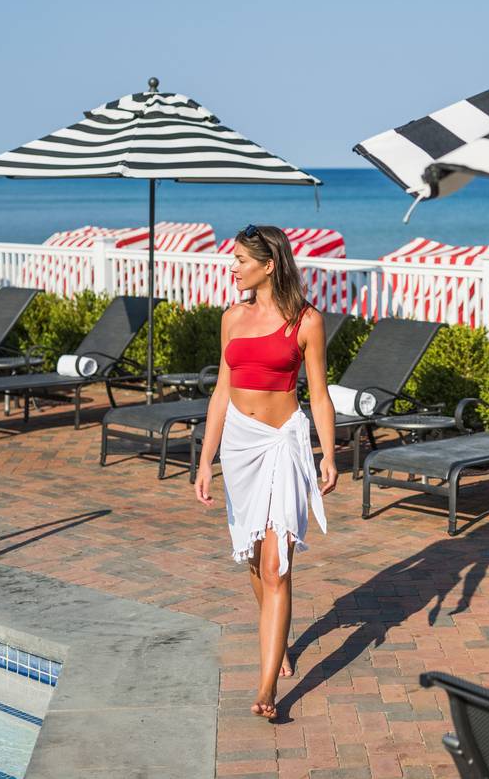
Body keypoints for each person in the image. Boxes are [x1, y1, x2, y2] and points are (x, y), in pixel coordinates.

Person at [195, 224, 338, 720]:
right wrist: (205, 458)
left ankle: (266, 689)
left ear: (268, 264)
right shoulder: (231, 318)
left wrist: (329, 453)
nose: (231, 267)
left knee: (278, 565)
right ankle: (276, 637)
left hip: (283, 444)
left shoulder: (306, 321)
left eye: (238, 259)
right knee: (256, 562)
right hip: (239, 446)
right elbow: (220, 390)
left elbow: (319, 394)